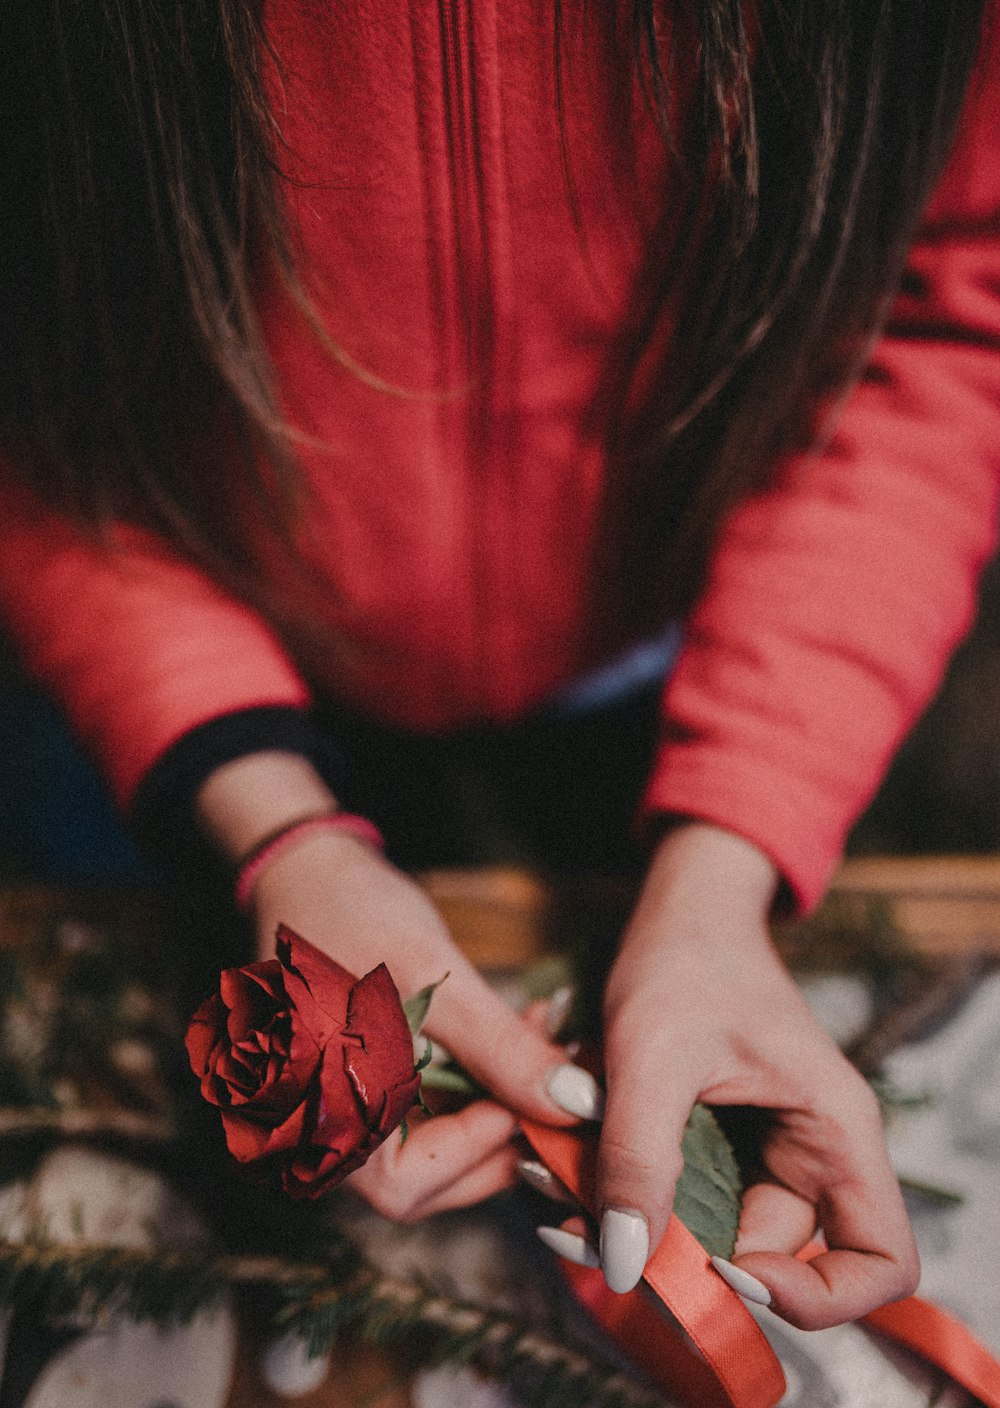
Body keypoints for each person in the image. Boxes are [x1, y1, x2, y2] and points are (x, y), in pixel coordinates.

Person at [1, 0, 998, 1331]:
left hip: (706, 646)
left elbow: (938, 319)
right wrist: (276, 828)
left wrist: (726, 856)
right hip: (157, 655)